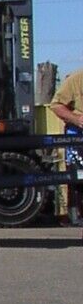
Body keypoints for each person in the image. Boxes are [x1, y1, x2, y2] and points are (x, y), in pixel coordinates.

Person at [51, 66, 83, 225]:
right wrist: (77, 119)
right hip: (78, 137)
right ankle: (75, 215)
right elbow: (56, 105)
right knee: (78, 177)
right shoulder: (76, 80)